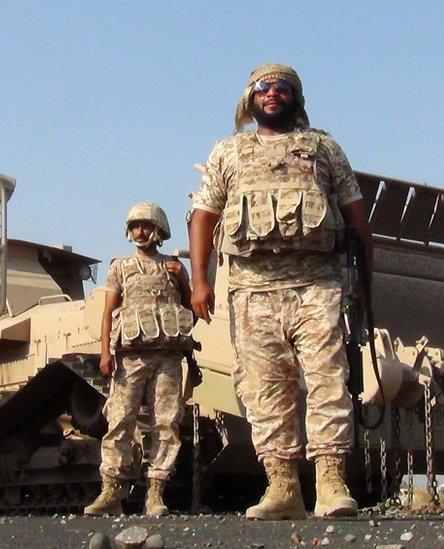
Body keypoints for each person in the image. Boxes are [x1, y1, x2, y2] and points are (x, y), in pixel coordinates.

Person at [188, 63, 373, 519]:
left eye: (283, 87)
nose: (273, 93)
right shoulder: (228, 153)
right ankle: (282, 487)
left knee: (328, 380)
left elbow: (357, 221)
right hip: (252, 291)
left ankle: (331, 483)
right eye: (263, 87)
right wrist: (200, 279)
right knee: (264, 389)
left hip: (319, 285)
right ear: (249, 99)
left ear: (297, 97)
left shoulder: (324, 149)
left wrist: (366, 286)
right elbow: (204, 217)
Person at [84, 202, 195, 517]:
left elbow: (191, 310)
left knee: (166, 424)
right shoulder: (120, 267)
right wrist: (105, 352)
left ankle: (155, 494)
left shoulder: (173, 267)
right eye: (134, 226)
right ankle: (110, 493)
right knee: (119, 421)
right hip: (130, 358)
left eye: (146, 226)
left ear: (159, 230)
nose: (140, 232)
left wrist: (184, 279)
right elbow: (107, 313)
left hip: (168, 358)